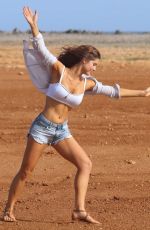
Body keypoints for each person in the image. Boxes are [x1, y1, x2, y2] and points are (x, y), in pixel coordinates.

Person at [3, 6, 150, 225]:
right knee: (26, 171)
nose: (95, 68)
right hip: (43, 128)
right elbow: (42, 49)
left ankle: (79, 210)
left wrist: (142, 92)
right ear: (84, 60)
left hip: (62, 131)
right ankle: (8, 209)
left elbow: (113, 91)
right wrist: (34, 26)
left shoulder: (87, 84)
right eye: (94, 64)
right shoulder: (58, 71)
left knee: (85, 164)